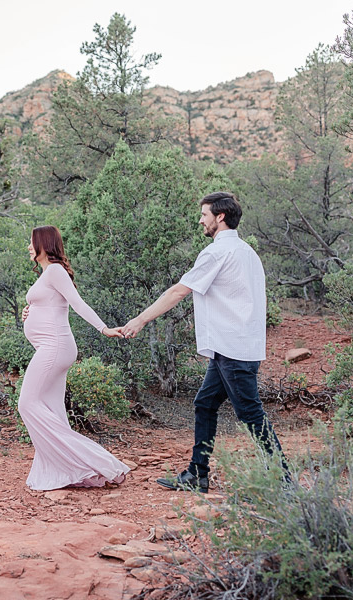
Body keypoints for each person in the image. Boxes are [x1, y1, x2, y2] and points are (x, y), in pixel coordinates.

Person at [118, 192, 286, 493]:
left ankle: (284, 482)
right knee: (205, 403)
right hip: (236, 346)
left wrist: (141, 320)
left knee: (250, 413)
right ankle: (198, 474)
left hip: (232, 348)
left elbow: (178, 292)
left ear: (220, 217)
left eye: (204, 214)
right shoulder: (247, 251)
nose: (200, 220)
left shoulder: (217, 252)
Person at [18, 225, 130, 491]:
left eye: (32, 242)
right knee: (52, 410)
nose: (29, 247)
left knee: (27, 403)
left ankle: (95, 461)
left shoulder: (55, 270)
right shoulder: (48, 273)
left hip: (54, 347)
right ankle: (66, 470)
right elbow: (48, 305)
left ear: (45, 244)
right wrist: (29, 311)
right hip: (52, 347)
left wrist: (103, 328)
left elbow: (77, 303)